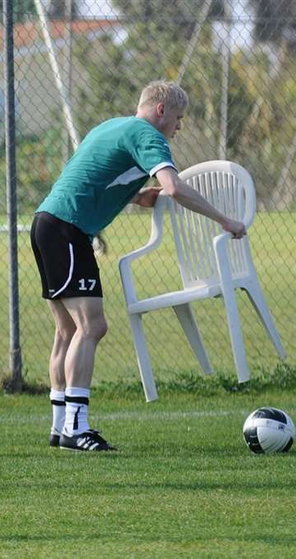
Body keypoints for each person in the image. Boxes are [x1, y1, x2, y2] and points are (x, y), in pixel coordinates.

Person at [30, 80, 246, 452]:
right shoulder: (148, 135)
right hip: (67, 230)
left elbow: (103, 179)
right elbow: (174, 187)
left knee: (67, 330)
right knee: (92, 326)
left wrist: (143, 196)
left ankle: (60, 426)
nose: (179, 127)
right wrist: (225, 220)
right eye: (178, 118)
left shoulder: (112, 126)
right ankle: (76, 428)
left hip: (48, 224)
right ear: (160, 110)